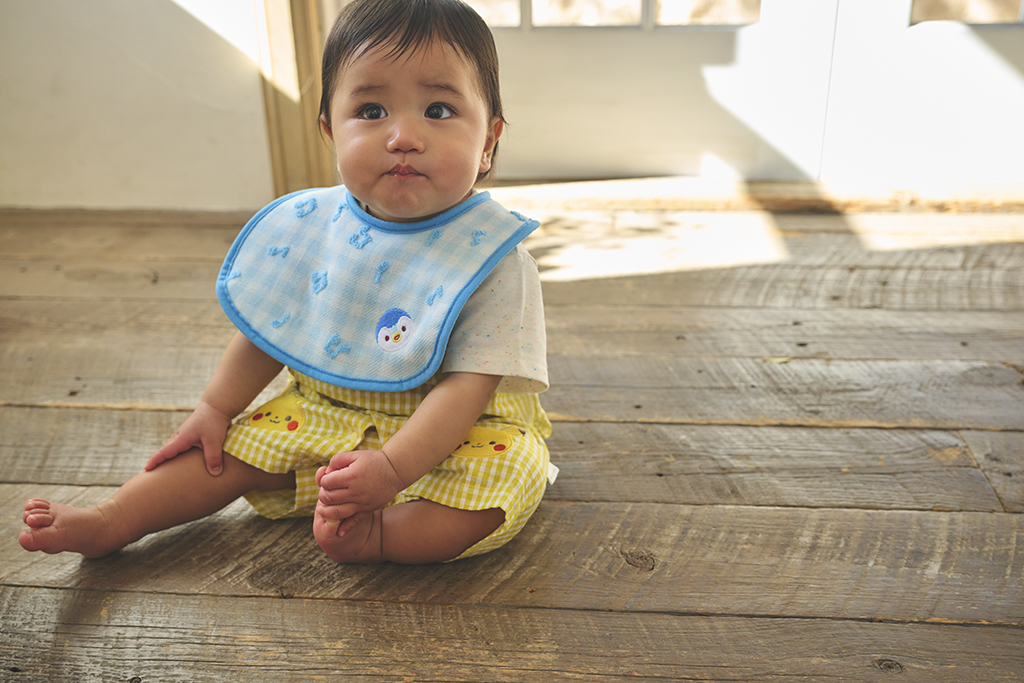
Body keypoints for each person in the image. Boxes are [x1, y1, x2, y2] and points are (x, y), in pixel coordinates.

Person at [18, 0, 553, 565]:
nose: (403, 136)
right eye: (371, 110)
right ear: (330, 131)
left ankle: (379, 536)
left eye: (438, 110)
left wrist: (394, 468)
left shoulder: (495, 259)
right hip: (321, 411)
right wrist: (215, 408)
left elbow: (466, 390)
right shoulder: (310, 228)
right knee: (221, 452)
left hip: (458, 433)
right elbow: (270, 328)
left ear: (488, 139)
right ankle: (112, 518)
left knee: (510, 471)